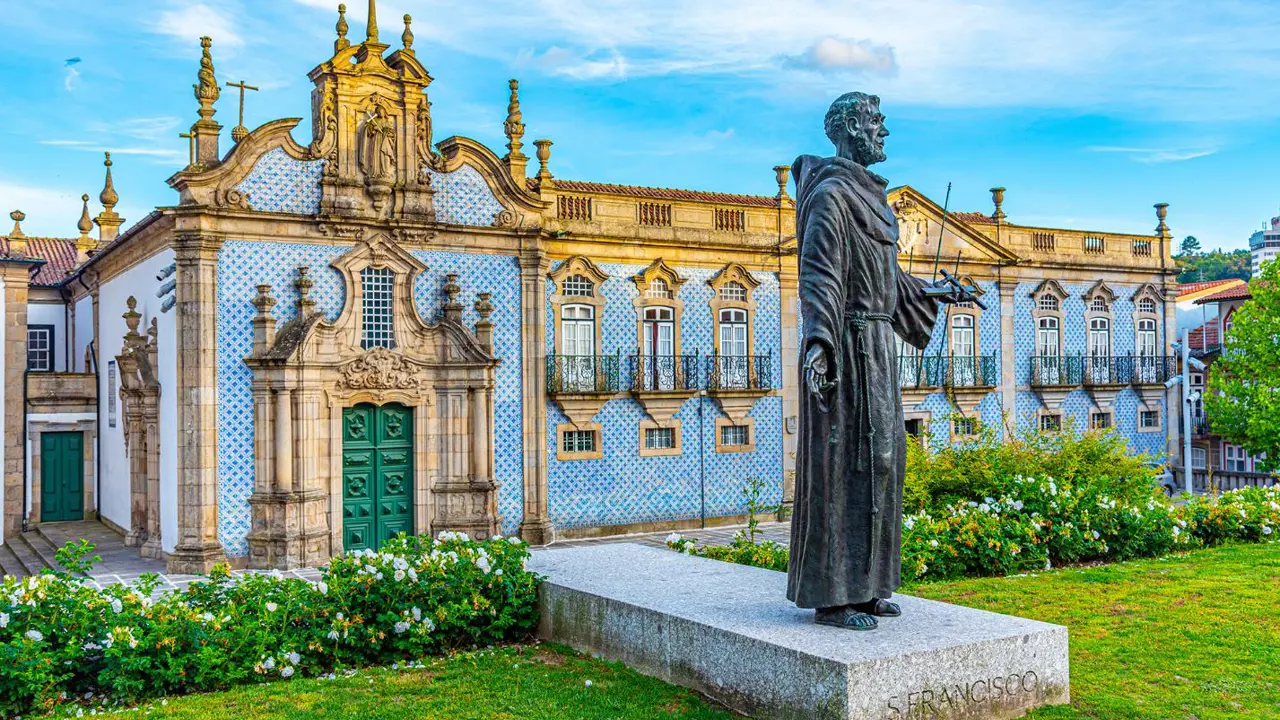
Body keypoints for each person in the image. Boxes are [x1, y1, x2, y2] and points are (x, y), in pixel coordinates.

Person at [786, 91, 973, 631]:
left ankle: (868, 588)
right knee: (848, 463)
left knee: (884, 461)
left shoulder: (869, 198)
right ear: (847, 129)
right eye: (874, 122)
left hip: (878, 350)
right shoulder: (831, 195)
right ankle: (835, 595)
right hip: (847, 349)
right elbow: (819, 273)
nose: (883, 132)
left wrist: (936, 292)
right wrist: (819, 343)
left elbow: (887, 283)